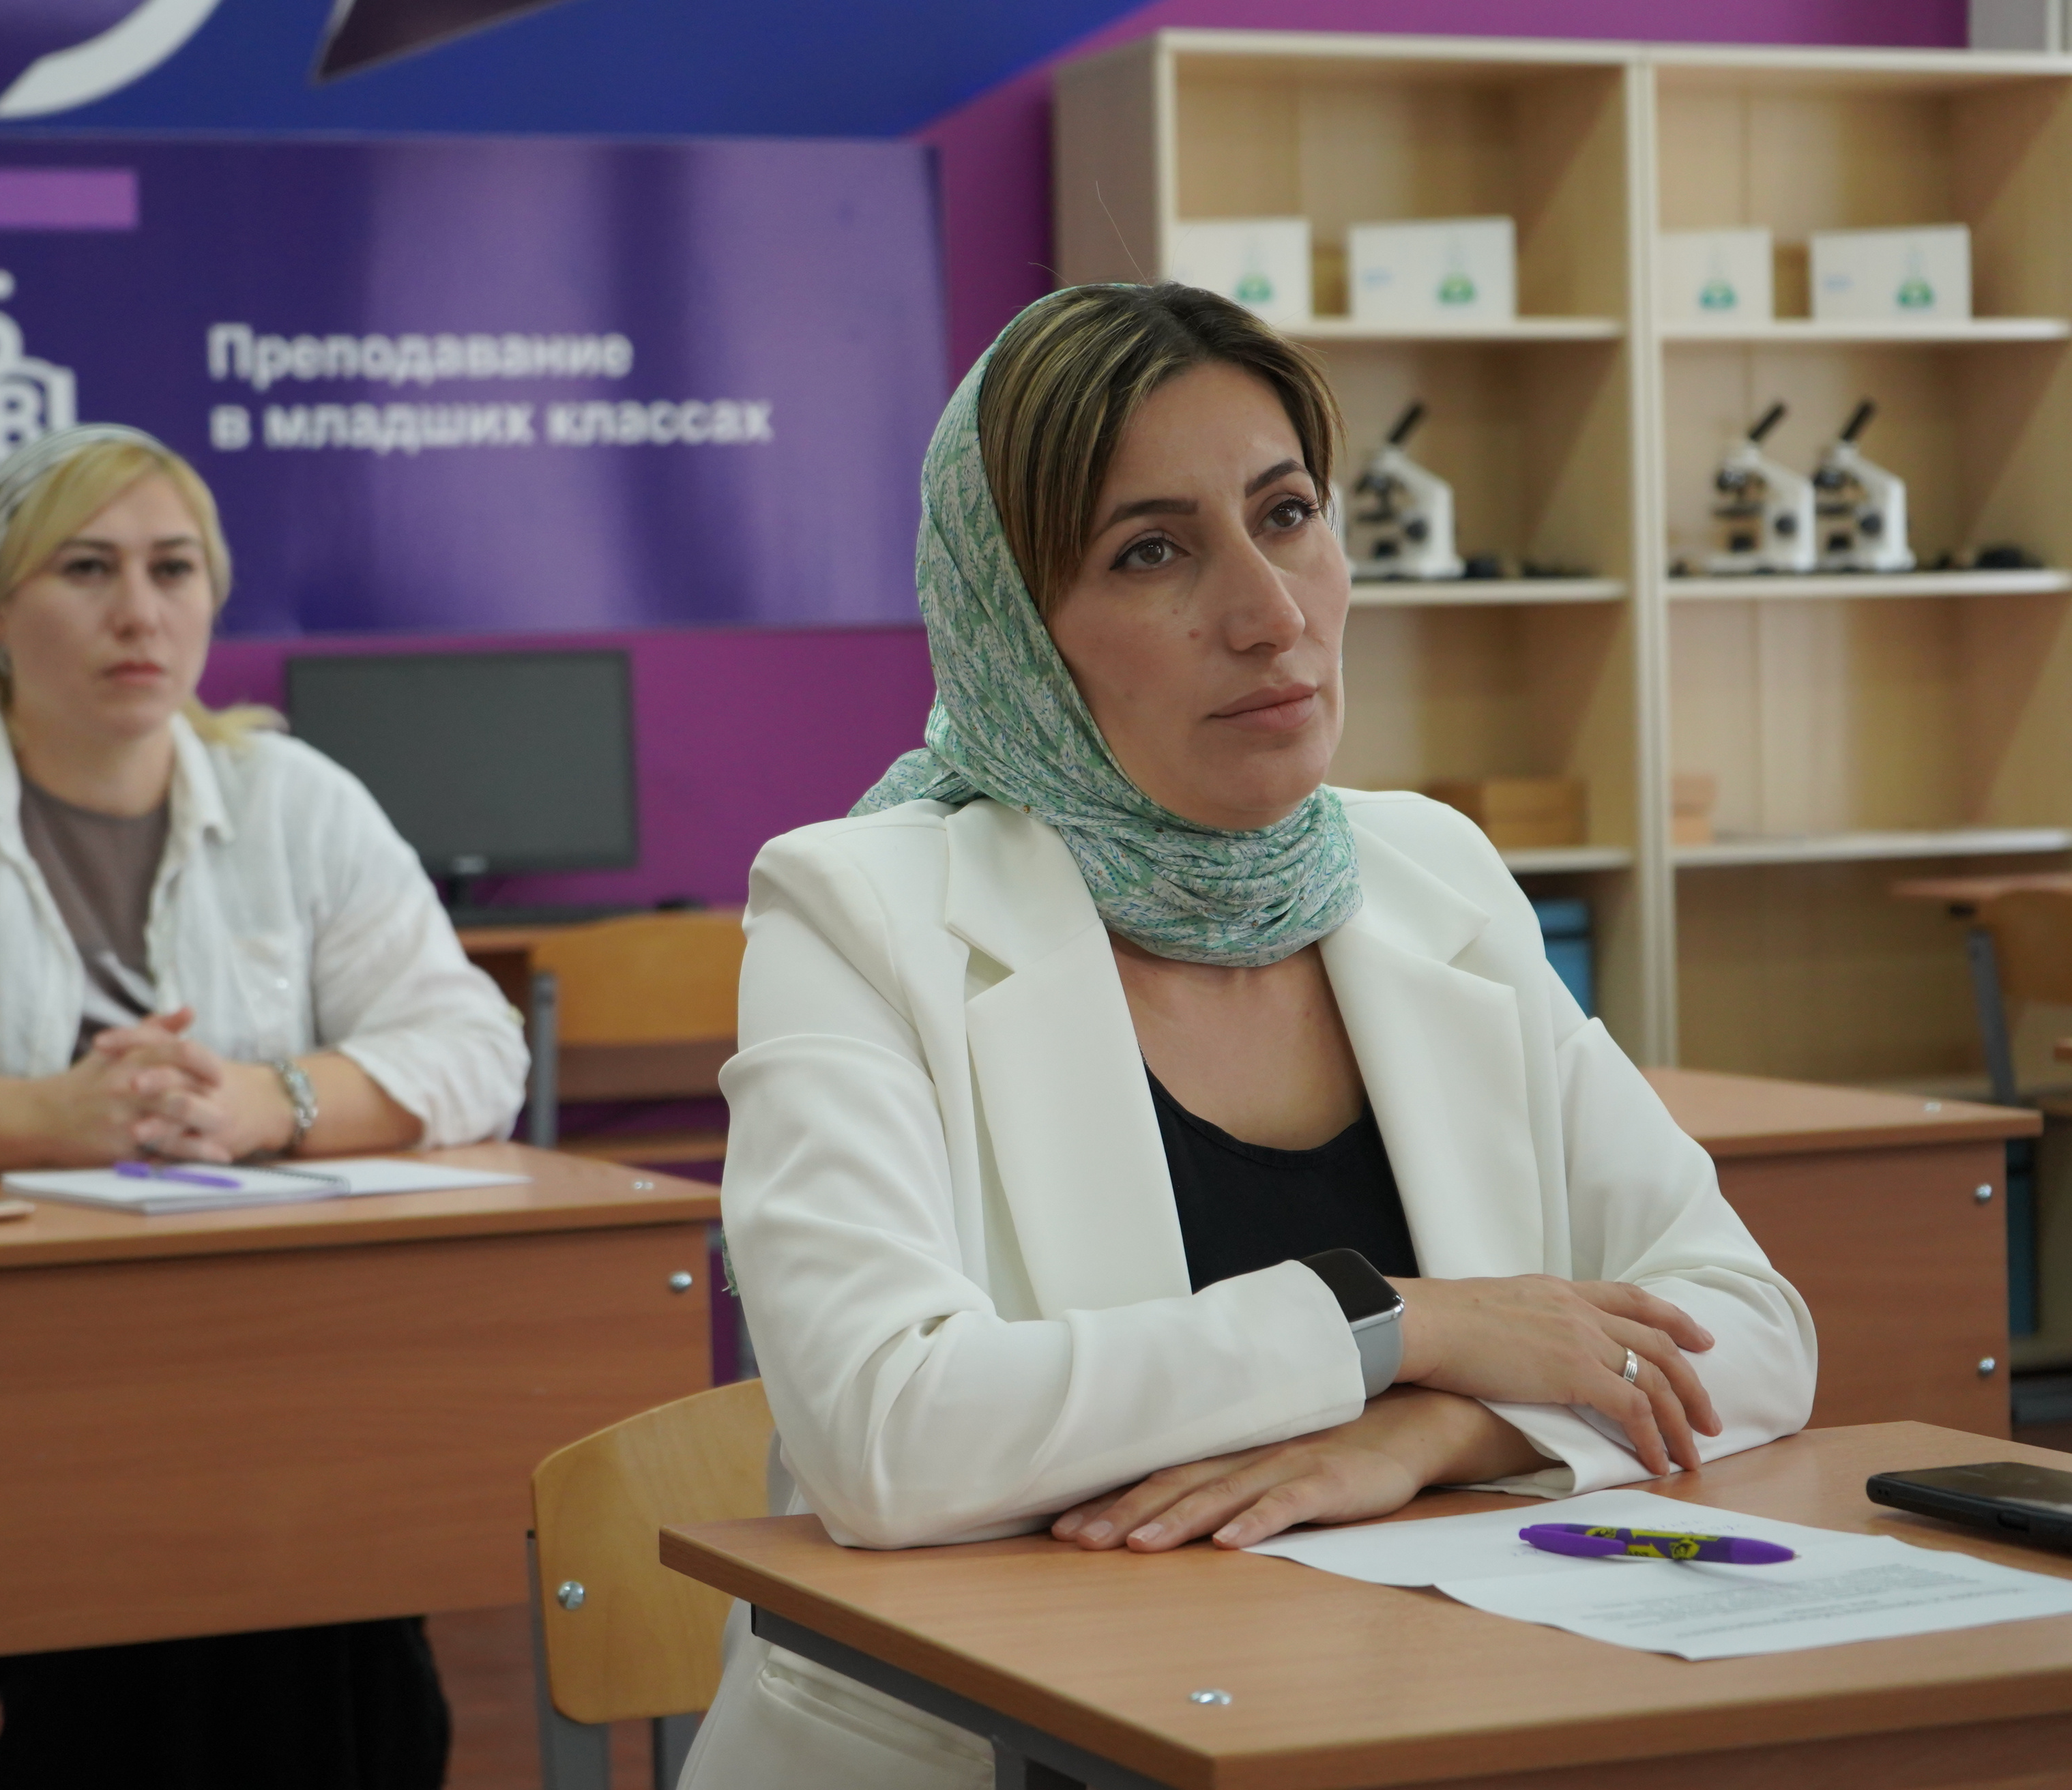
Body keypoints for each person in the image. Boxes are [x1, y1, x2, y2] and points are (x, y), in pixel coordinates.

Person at [675, 286, 1818, 1789]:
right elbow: (894, 1437)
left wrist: (1437, 1433)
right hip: (1006, 1753)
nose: (1272, 612)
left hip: (1428, 1721)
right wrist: (1396, 1324)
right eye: (1152, 551)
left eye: (1288, 515)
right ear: (1017, 633)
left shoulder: (1432, 874)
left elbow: (1750, 1326)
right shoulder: (861, 908)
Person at [0, 423, 528, 1789]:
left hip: (267, 1372)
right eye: (87, 568)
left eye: (173, 568)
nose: (140, 610)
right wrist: (44, 1119)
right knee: (194, 1612)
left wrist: (268, 1099)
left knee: (346, 1631)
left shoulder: (296, 801)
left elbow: (476, 1045)